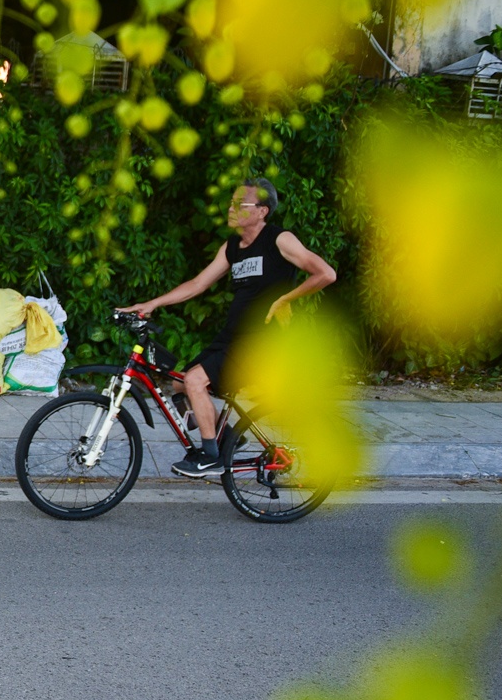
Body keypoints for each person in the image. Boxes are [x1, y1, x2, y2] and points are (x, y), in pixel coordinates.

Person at [117, 178, 337, 479]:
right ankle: (227, 438)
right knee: (181, 384)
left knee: (195, 381)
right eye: (231, 203)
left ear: (262, 211)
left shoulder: (279, 239)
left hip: (260, 341)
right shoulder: (233, 247)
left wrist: (286, 298)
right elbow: (198, 284)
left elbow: (326, 273)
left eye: (239, 204)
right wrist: (151, 304)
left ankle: (211, 456)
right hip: (231, 338)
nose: (231, 209)